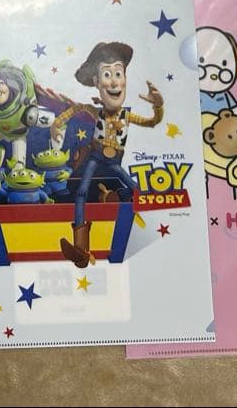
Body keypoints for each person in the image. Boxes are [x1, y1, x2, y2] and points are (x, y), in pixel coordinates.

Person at [57, 41, 164, 268]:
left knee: (135, 189)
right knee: (81, 192)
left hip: (113, 161)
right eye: (107, 74)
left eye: (118, 73)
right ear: (97, 82)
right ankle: (81, 251)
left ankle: (123, 200)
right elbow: (77, 108)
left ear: (125, 78)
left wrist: (158, 106)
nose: (114, 81)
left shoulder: (127, 116)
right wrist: (58, 123)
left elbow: (152, 122)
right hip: (95, 157)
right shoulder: (96, 112)